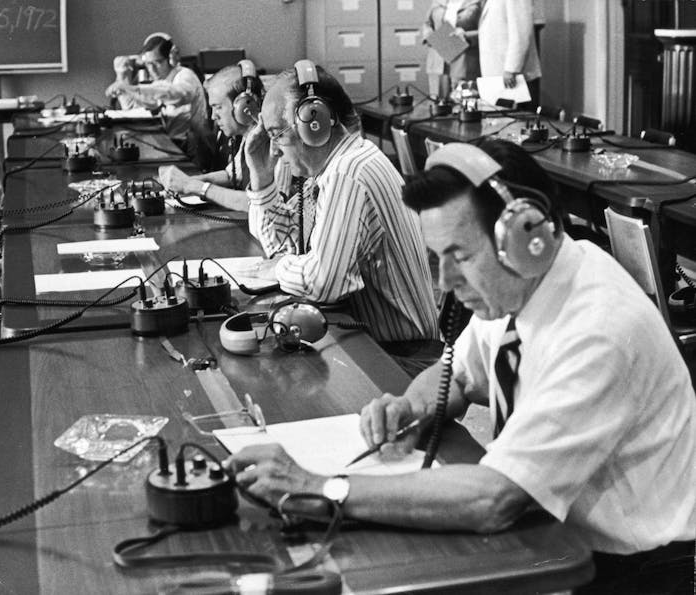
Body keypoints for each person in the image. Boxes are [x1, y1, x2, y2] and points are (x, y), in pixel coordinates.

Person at [226, 140, 696, 594]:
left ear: (528, 235)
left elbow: (494, 498)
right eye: (438, 258)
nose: (445, 282)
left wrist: (317, 488)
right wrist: (411, 406)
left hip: (638, 570)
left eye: (460, 256)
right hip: (558, 535)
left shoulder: (599, 330)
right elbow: (460, 373)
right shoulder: (527, 283)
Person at [243, 60, 439, 352]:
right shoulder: (336, 167)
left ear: (315, 122)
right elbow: (280, 242)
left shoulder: (348, 173)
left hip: (401, 358)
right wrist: (261, 179)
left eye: (276, 134)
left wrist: (278, 268)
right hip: (377, 345)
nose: (273, 149)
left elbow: (323, 282)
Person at [158, 60, 271, 212]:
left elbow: (257, 204)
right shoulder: (249, 136)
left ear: (244, 107)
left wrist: (195, 186)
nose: (213, 117)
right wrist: (181, 182)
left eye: (218, 107)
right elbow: (232, 174)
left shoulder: (271, 144)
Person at [105, 33, 215, 170]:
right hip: (175, 144)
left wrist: (133, 88)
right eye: (148, 64)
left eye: (157, 62)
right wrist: (122, 76)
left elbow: (176, 94)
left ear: (171, 58)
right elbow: (132, 107)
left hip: (193, 149)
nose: (152, 69)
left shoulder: (185, 75)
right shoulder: (161, 82)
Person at [478, 0, 541, 107]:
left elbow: (522, 32)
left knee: (517, 120)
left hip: (513, 77)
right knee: (498, 119)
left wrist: (512, 69)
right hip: (497, 74)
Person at [421, 0, 481, 98]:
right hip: (439, 58)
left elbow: (488, 29)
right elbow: (427, 24)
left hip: (465, 58)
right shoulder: (438, 2)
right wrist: (430, 37)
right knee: (439, 104)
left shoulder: (477, 2)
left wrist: (467, 35)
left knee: (463, 102)